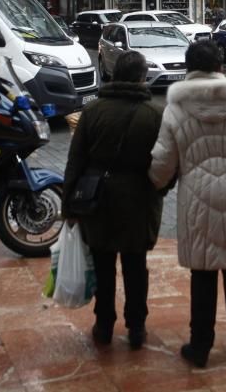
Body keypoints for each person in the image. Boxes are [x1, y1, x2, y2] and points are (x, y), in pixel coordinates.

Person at [149, 40, 226, 369]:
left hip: (197, 197)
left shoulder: (176, 107)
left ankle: (200, 346)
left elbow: (162, 161)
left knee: (202, 275)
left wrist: (156, 184)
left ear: (189, 68)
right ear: (220, 66)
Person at [62, 51, 165, 350]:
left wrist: (69, 204)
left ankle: (104, 324)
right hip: (139, 199)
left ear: (113, 74)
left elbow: (75, 160)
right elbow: (167, 161)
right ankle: (136, 327)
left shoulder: (92, 112)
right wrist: (161, 189)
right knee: (136, 266)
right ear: (142, 77)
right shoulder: (154, 114)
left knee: (103, 265)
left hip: (98, 200)